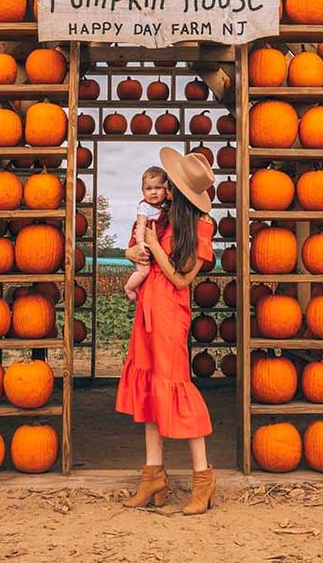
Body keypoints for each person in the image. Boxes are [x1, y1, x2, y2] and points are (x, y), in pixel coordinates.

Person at [115, 147, 216, 515]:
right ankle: (153, 475)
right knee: (148, 388)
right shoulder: (157, 216)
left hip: (171, 312)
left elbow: (180, 277)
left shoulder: (201, 226)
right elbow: (130, 247)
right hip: (147, 308)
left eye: (171, 187)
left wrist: (154, 248)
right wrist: (133, 254)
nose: (166, 191)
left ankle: (203, 478)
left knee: (175, 386)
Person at [123, 166, 169, 301]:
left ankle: (138, 287)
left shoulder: (166, 206)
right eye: (149, 189)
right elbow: (141, 224)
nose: (153, 192)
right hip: (142, 241)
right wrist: (140, 242)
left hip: (152, 243)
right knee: (144, 271)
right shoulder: (145, 207)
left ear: (166, 189)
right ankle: (129, 287)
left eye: (158, 188)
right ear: (143, 191)